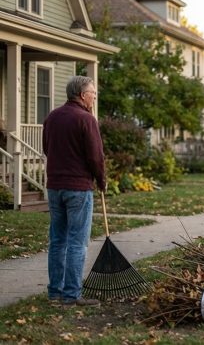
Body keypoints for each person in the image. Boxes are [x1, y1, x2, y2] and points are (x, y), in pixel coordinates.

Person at [43, 76, 106, 307]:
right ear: (82, 95)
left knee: (58, 240)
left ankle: (54, 293)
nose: (94, 97)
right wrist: (101, 180)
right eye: (92, 93)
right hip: (78, 189)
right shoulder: (86, 119)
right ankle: (71, 295)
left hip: (54, 187)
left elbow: (47, 149)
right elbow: (95, 157)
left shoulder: (52, 117)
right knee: (78, 242)